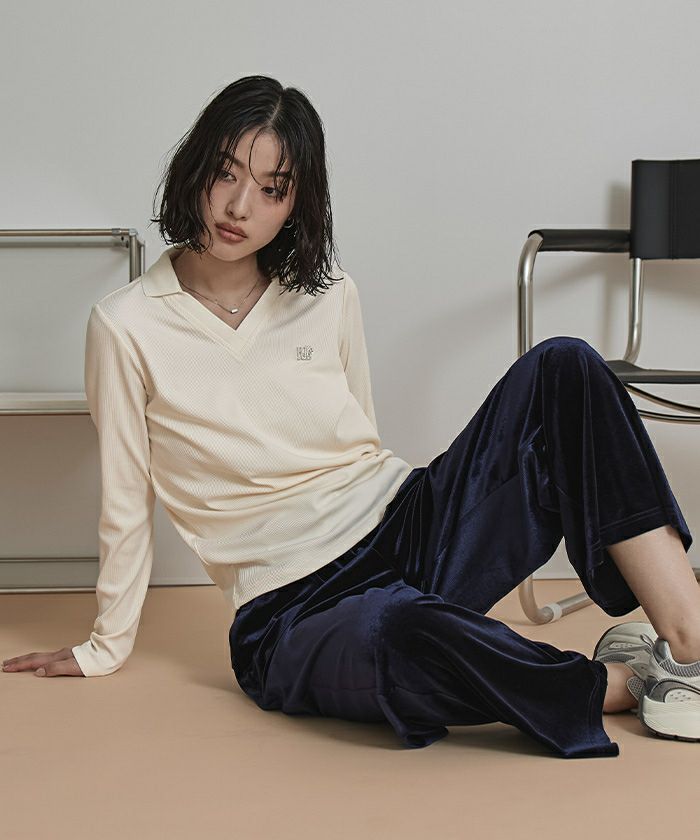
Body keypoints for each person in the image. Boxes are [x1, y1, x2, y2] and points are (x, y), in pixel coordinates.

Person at [4, 76, 700, 756]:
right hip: (292, 608)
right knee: (401, 633)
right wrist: (105, 645)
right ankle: (626, 682)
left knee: (565, 365)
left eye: (272, 188)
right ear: (194, 169)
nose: (240, 205)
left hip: (407, 526)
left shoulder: (329, 293)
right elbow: (128, 496)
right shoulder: (126, 324)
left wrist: (430, 525)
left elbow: (360, 443)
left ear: (296, 204)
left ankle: (690, 646)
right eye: (225, 173)